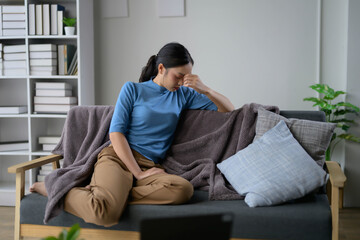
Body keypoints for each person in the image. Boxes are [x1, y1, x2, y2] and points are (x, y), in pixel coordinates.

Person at [30, 42, 234, 227]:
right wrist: (137, 173)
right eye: (178, 76)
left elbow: (228, 110)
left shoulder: (183, 95)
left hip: (151, 165)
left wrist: (206, 89)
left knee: (183, 190)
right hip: (118, 158)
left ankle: (113, 195)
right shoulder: (133, 89)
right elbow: (116, 133)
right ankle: (54, 188)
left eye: (186, 76)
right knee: (105, 214)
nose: (181, 82)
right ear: (161, 69)